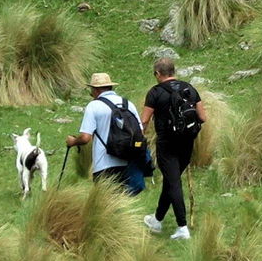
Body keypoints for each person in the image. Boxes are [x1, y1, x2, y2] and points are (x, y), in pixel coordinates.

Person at [141, 57, 206, 241]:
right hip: (187, 143)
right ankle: (157, 219)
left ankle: (182, 227)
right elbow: (202, 117)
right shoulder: (189, 89)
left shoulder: (155, 92)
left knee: (173, 182)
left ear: (157, 74)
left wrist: (139, 138)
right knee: (172, 181)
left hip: (167, 144)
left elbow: (144, 120)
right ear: (173, 71)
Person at [65, 72, 147, 195]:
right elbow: (140, 132)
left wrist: (73, 141)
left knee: (104, 207)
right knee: (122, 201)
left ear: (96, 89)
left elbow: (85, 138)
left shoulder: (94, 106)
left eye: (91, 90)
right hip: (127, 162)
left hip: (104, 164)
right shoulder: (128, 104)